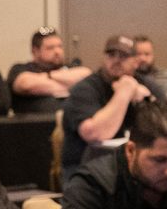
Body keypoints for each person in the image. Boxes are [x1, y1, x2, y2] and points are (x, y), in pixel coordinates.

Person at [61, 35, 153, 181]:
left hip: (133, 172)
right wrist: (125, 91)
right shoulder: (85, 89)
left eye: (123, 56)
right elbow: (94, 133)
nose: (116, 60)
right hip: (86, 173)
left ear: (136, 62)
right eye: (111, 55)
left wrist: (149, 99)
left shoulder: (146, 85)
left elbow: (166, 125)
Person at [7, 27, 92, 116]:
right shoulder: (21, 68)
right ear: (35, 51)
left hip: (72, 124)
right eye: (50, 48)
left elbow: (86, 75)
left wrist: (49, 77)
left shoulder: (71, 68)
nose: (57, 51)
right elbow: (26, 84)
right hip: (36, 125)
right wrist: (69, 85)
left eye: (59, 46)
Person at [133, 35, 167, 105]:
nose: (143, 59)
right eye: (138, 54)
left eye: (147, 54)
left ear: (153, 55)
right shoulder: (126, 80)